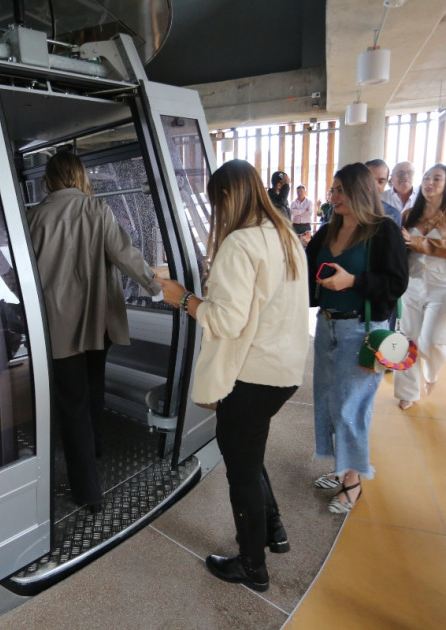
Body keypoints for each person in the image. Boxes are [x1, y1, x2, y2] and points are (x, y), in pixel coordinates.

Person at [157, 159, 309, 592]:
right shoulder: (284, 235)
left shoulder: (240, 244)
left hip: (251, 376)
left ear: (225, 197)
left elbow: (225, 320)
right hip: (284, 371)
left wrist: (181, 297)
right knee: (250, 453)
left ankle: (252, 566)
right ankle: (274, 529)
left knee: (240, 471)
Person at [26, 151, 162, 512]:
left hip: (59, 325)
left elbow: (19, 274)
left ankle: (88, 491)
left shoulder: (34, 217)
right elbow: (125, 255)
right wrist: (154, 286)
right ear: (79, 175)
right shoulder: (97, 210)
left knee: (72, 403)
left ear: (50, 178)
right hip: (98, 322)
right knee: (94, 384)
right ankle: (97, 447)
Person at [306, 163, 408, 513]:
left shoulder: (383, 232)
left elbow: (396, 284)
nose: (332, 197)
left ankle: (353, 481)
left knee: (351, 408)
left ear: (359, 192)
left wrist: (353, 281)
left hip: (362, 330)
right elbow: (306, 275)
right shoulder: (326, 231)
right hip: (327, 326)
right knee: (328, 401)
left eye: (339, 191)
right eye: (332, 190)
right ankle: (342, 470)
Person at [393, 164, 446, 410]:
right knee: (409, 339)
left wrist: (419, 242)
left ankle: (432, 371)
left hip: (442, 285)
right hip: (413, 283)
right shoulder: (410, 214)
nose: (429, 182)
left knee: (429, 342)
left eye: (436, 179)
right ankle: (407, 391)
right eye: (427, 178)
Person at [365, 158, 403, 226]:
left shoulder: (392, 214)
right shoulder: (347, 209)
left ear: (386, 182)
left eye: (381, 181)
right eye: (369, 180)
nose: (374, 185)